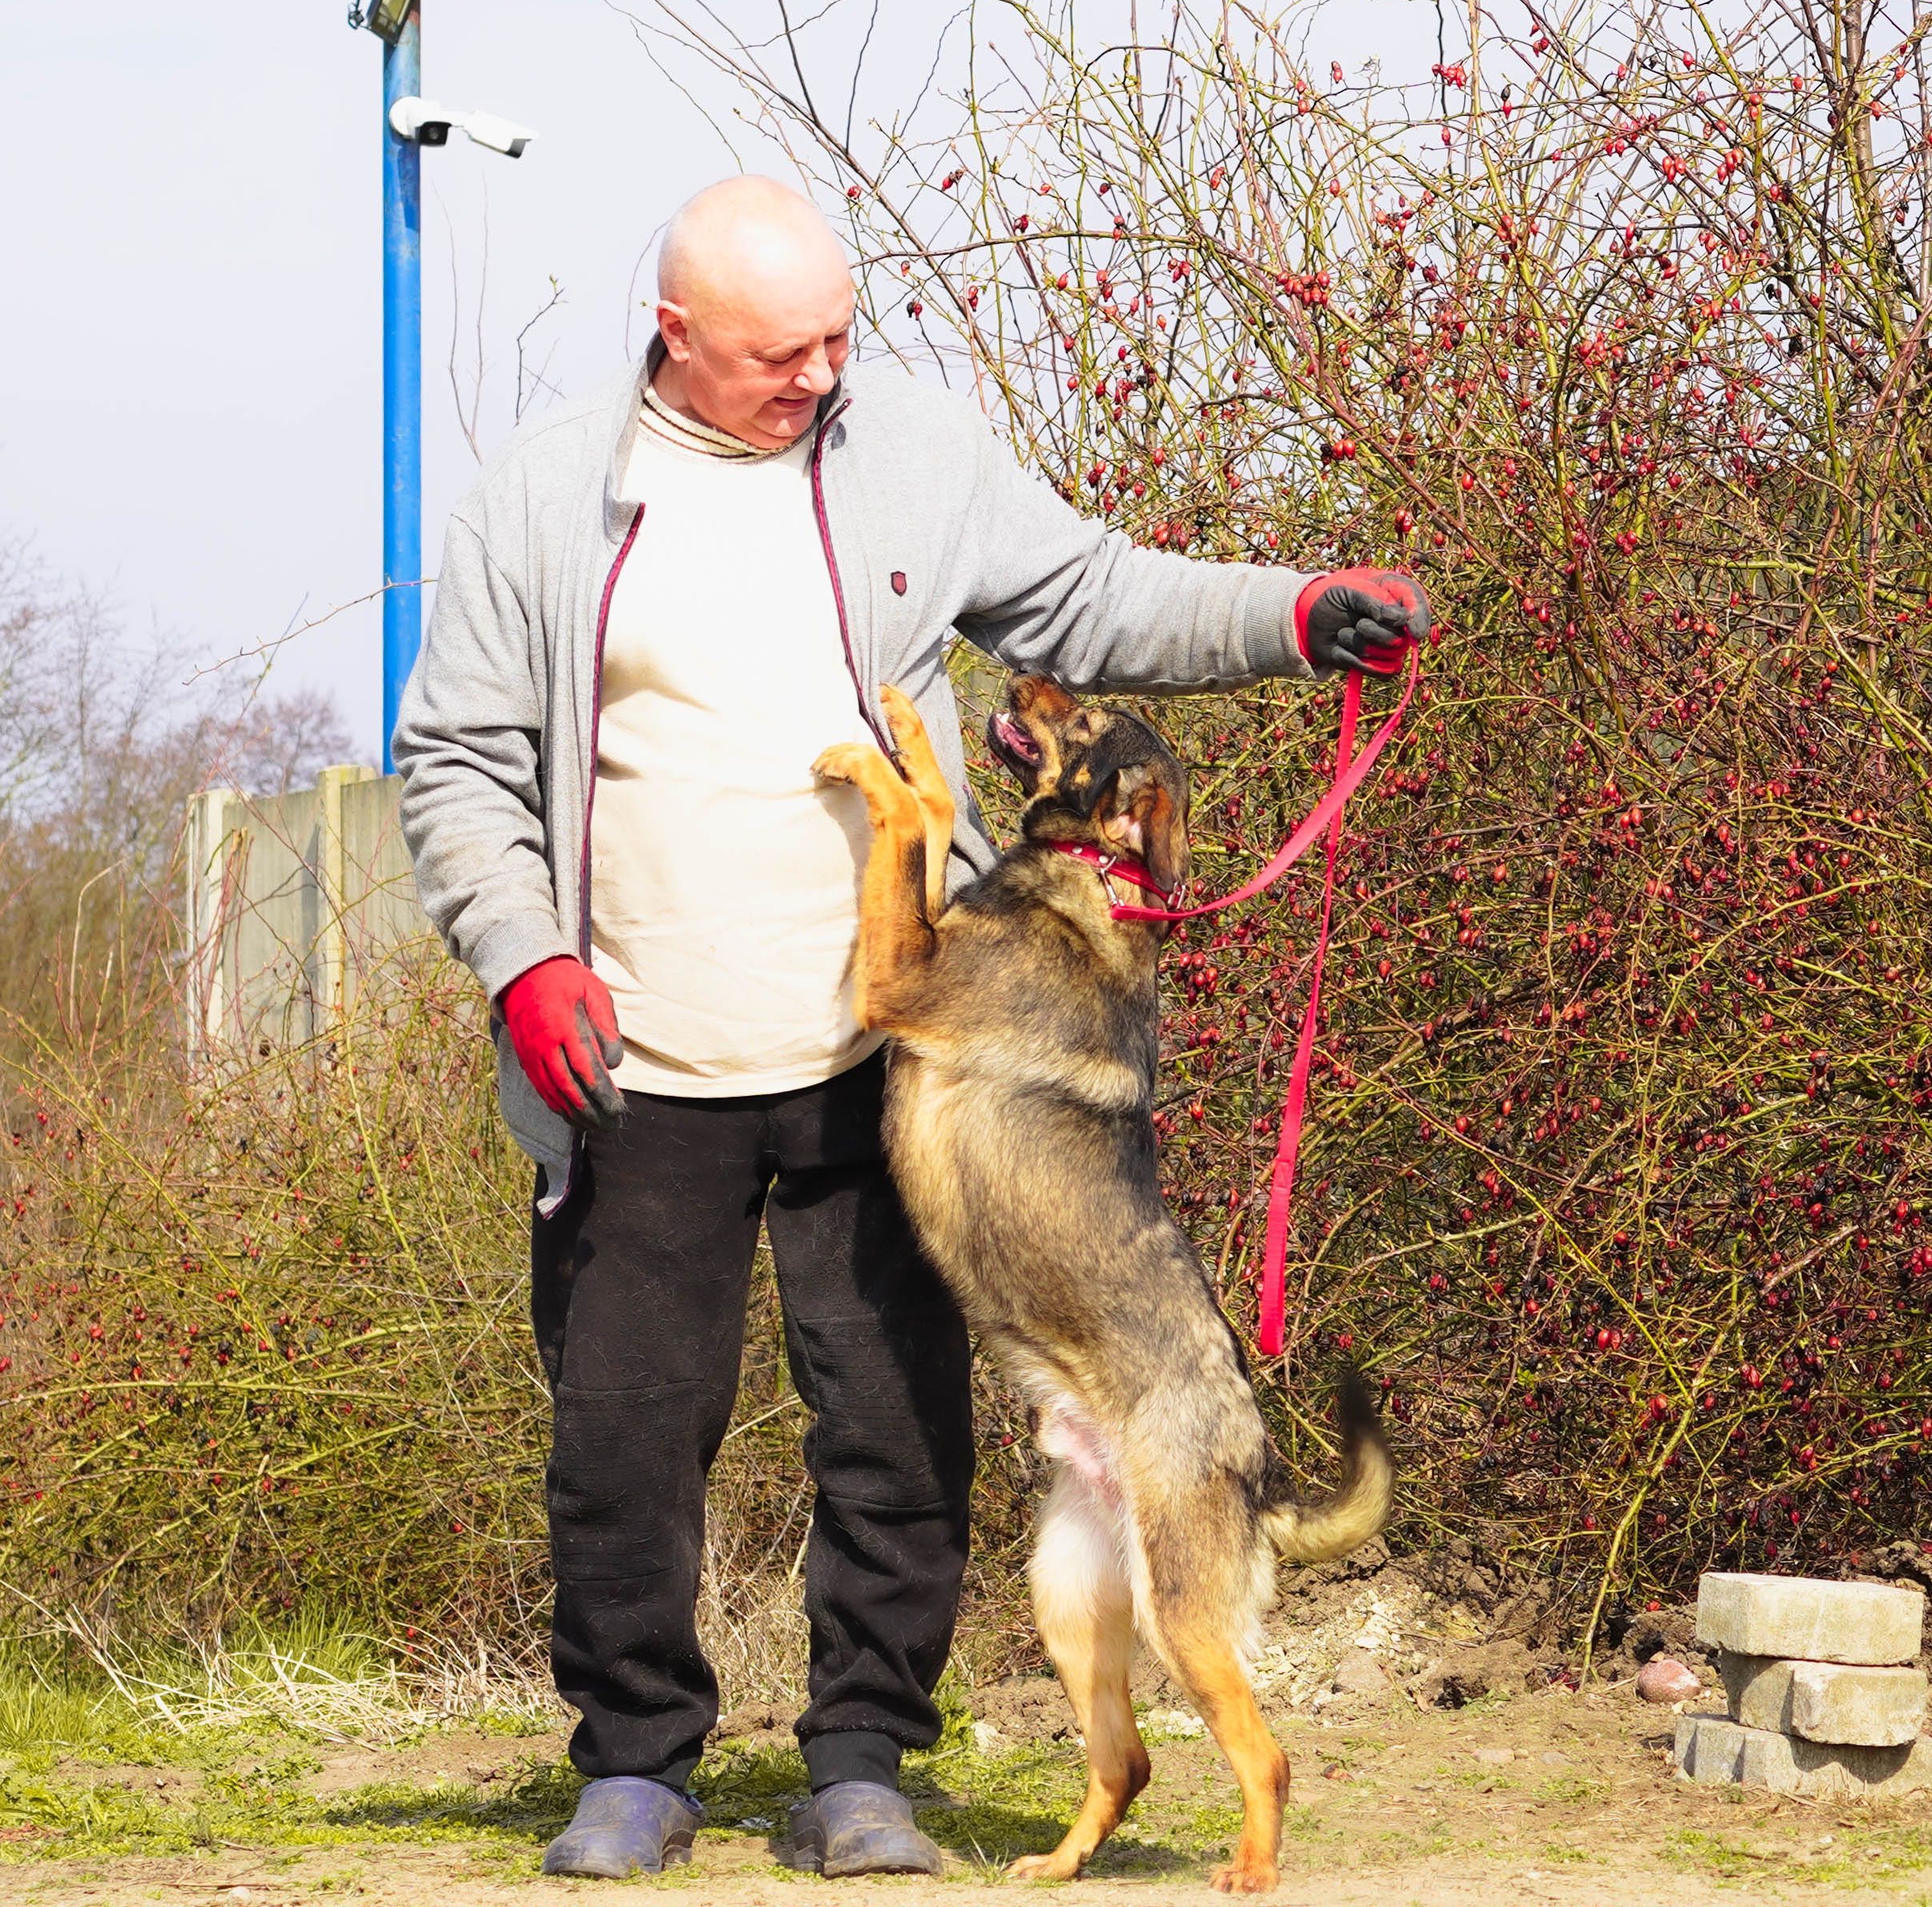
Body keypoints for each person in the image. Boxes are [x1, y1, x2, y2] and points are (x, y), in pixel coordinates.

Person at [393, 176, 1428, 1880]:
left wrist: (1292, 614)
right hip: (633, 1054)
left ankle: (863, 1761)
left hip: (885, 1059)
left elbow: (1094, 597)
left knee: (894, 1429)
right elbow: (456, 765)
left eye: (838, 338)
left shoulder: (911, 457)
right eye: (779, 351)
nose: (819, 373)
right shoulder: (544, 497)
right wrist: (522, 958)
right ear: (677, 336)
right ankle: (637, 1763)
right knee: (625, 1427)